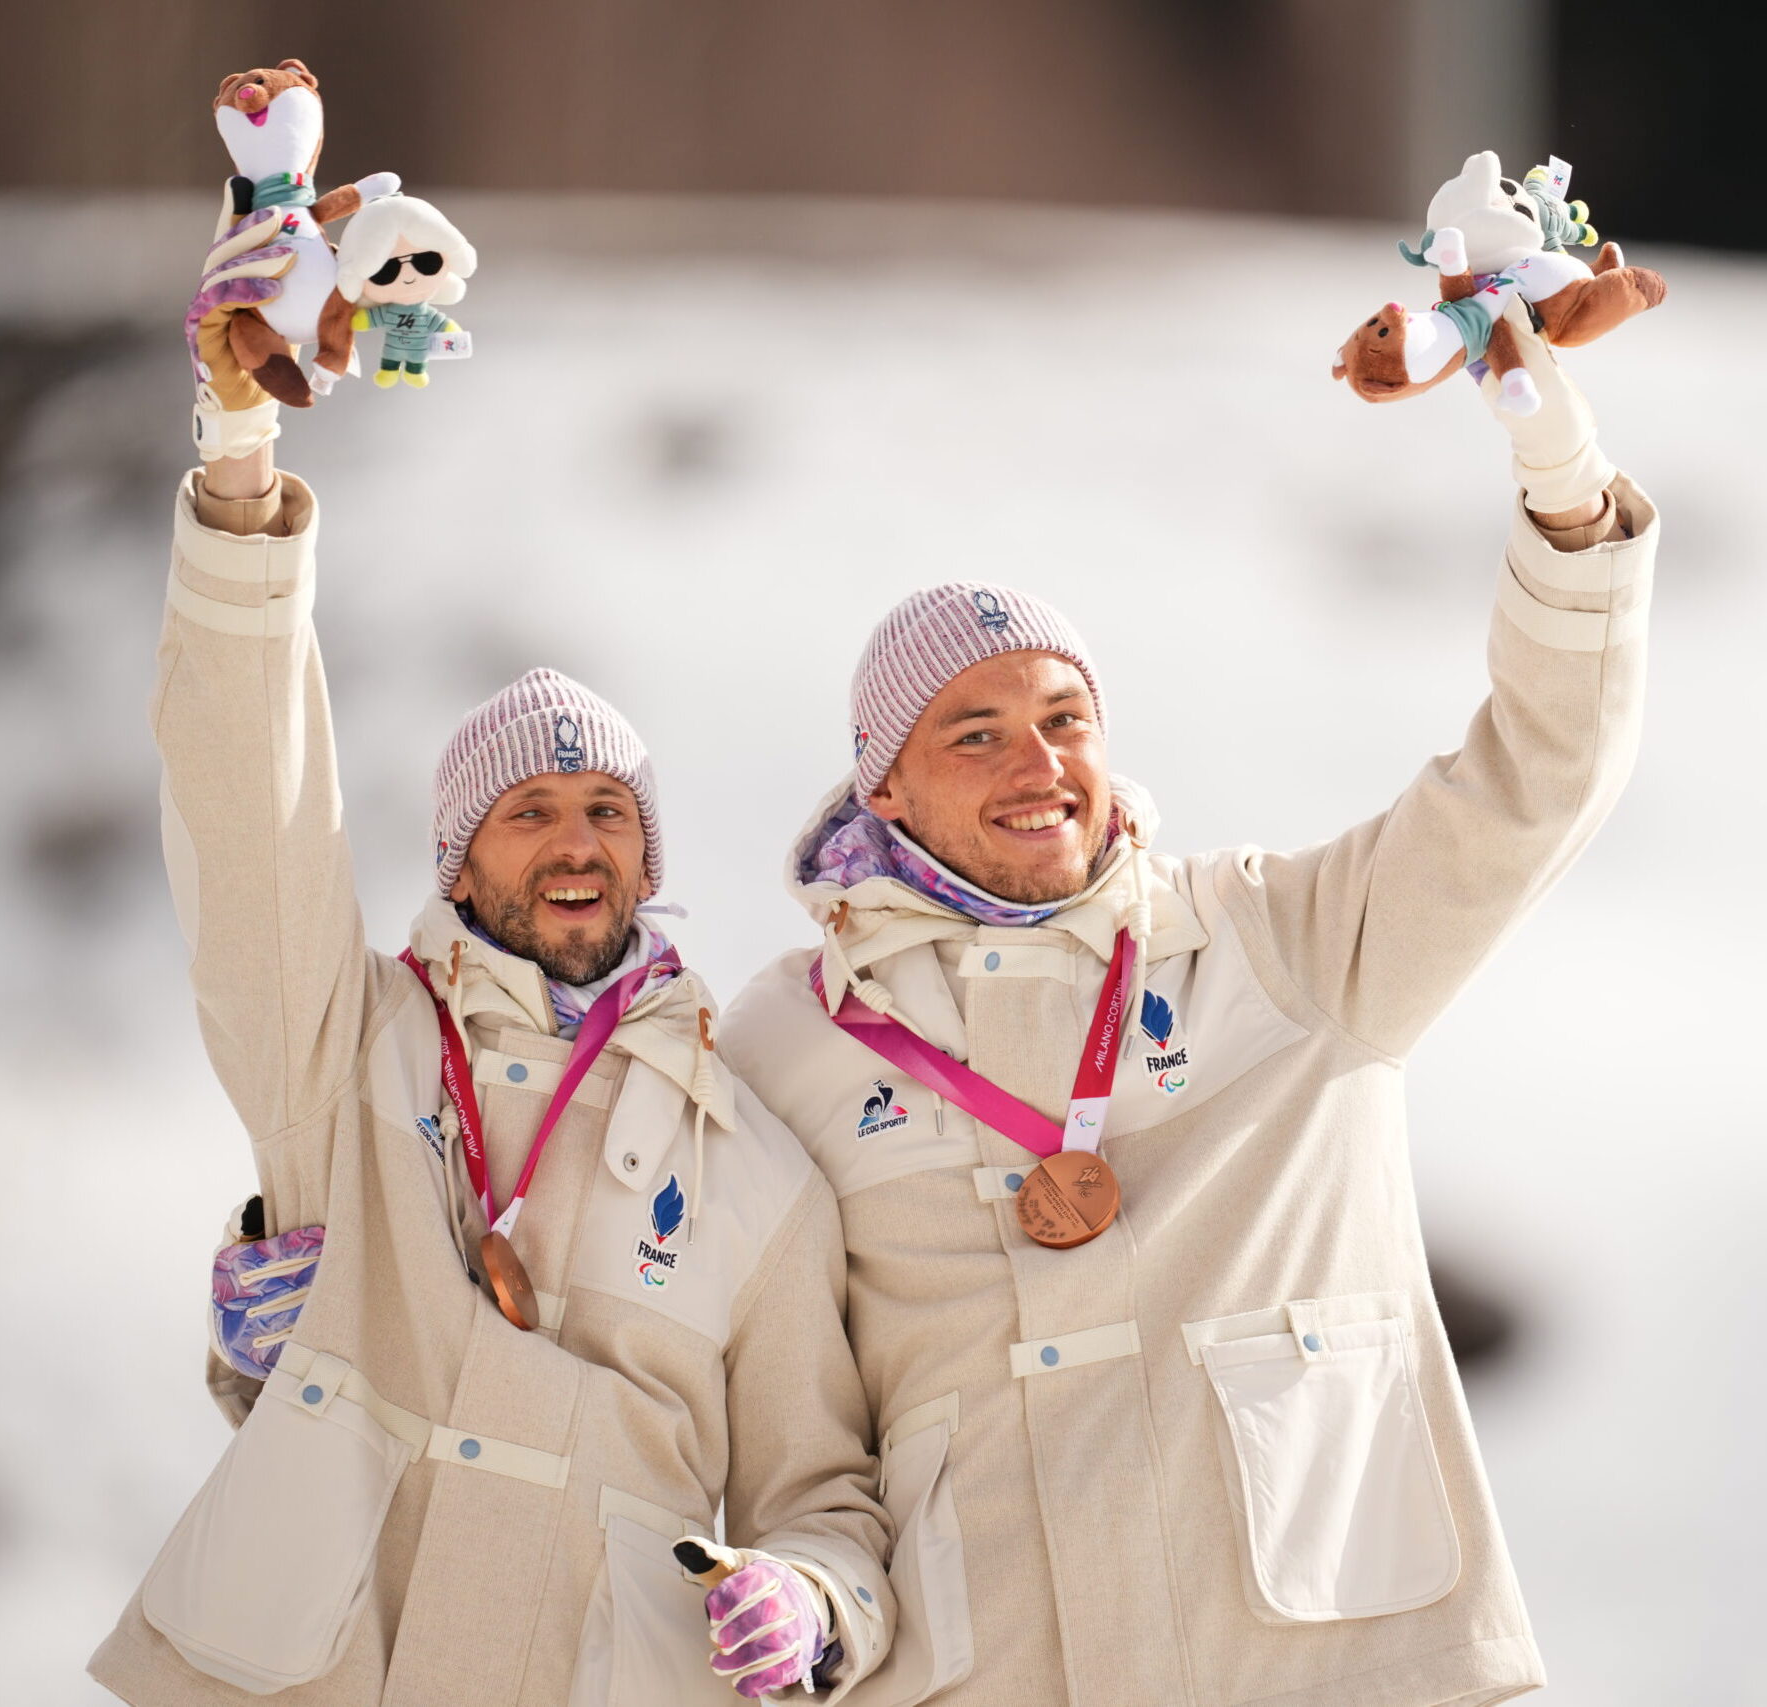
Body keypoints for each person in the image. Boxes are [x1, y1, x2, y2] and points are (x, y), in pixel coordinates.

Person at [717, 313, 1656, 1707]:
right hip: (1003, 1673)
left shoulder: (1273, 941)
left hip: (1340, 1666)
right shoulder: (785, 1041)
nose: (1036, 761)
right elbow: (640, 1312)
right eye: (971, 731)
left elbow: (1537, 775)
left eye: (1063, 716)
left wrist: (1562, 485)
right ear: (884, 793)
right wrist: (295, 1336)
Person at [89, 200, 894, 1707]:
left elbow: (824, 1501)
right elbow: (243, 801)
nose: (576, 837)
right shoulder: (352, 1052)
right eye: (529, 810)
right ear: (458, 859)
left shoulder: (758, 1177)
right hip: (322, 1658)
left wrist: (811, 1601)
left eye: (606, 809)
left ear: (650, 861)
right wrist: (240, 471)